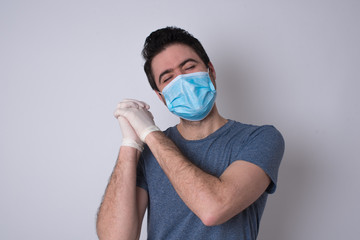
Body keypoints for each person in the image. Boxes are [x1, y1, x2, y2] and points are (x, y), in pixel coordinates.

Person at [96, 26, 285, 240]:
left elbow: (214, 209)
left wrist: (149, 132)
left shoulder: (260, 139)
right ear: (161, 97)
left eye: (188, 67)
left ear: (210, 71)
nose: (182, 81)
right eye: (168, 78)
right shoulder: (149, 151)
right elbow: (115, 238)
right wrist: (130, 144)